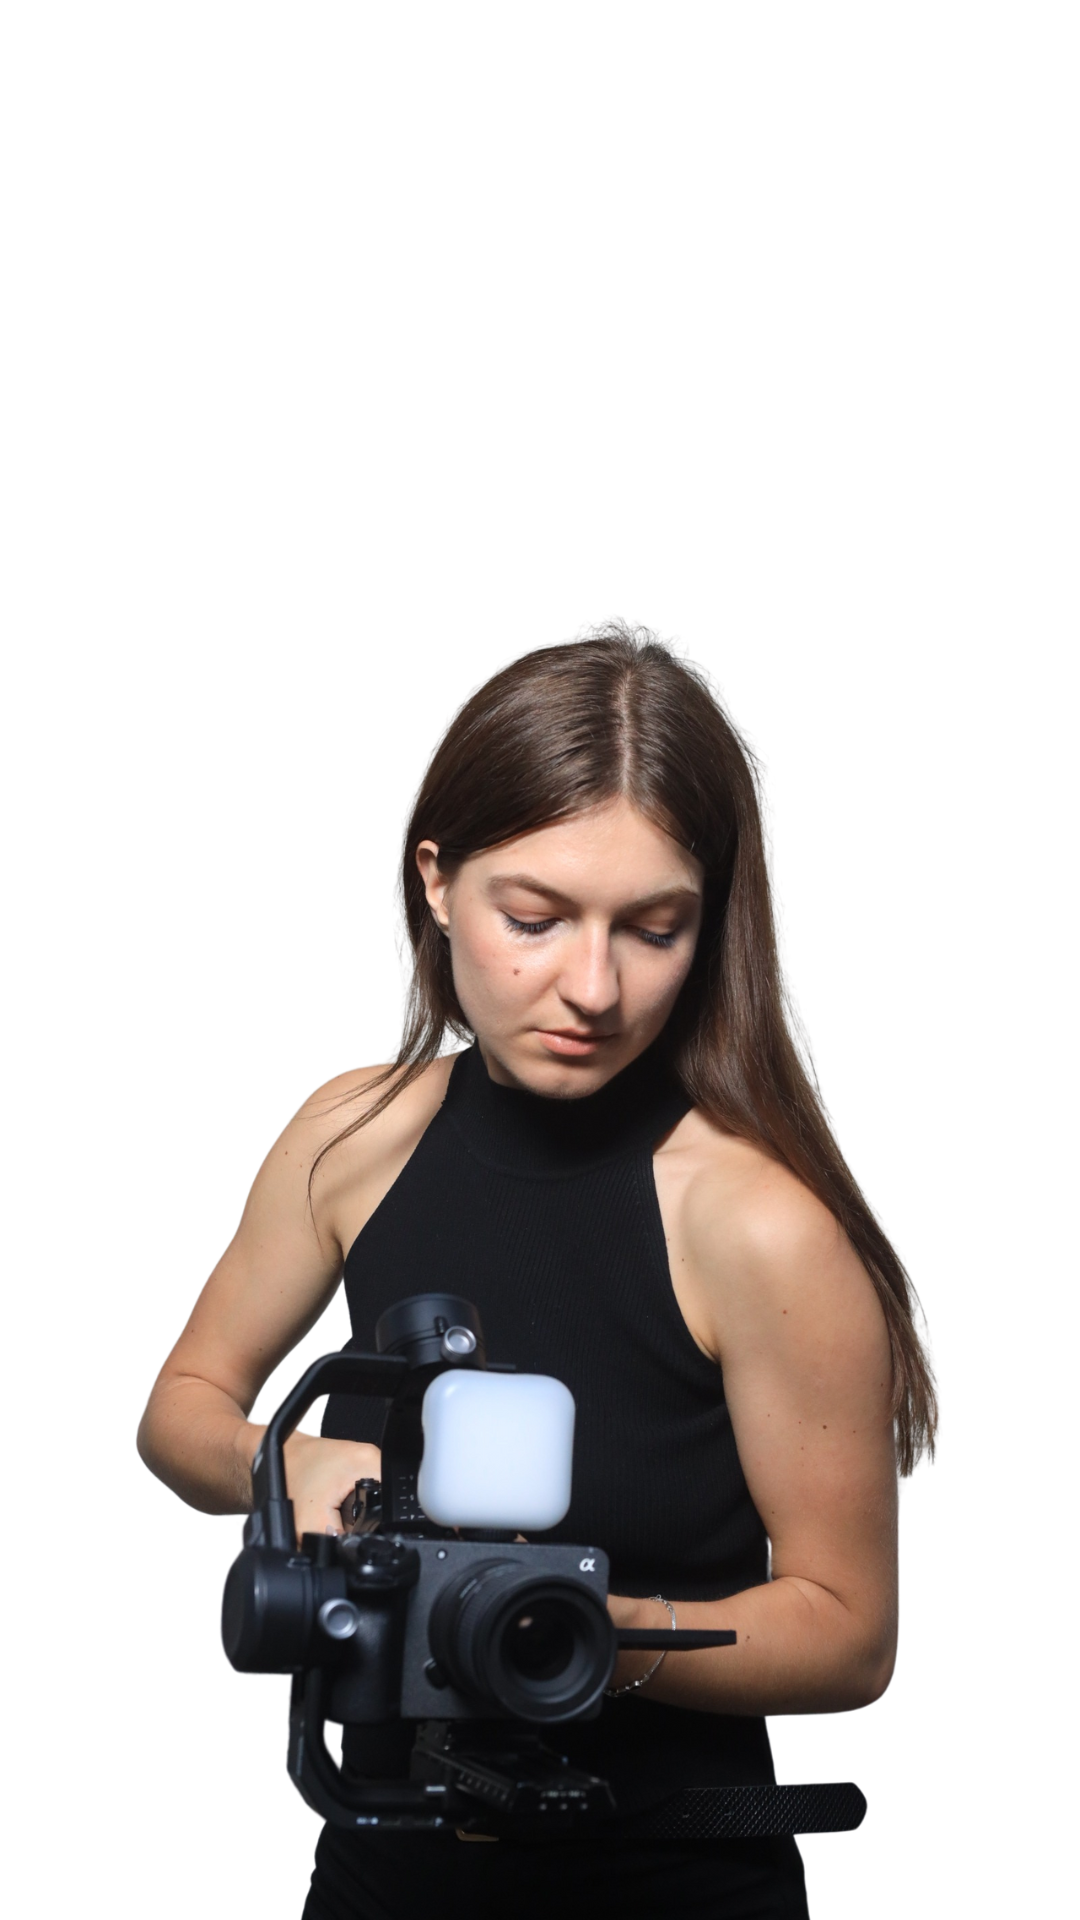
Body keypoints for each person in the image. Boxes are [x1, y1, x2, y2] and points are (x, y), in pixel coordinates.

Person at [135, 617, 940, 1919]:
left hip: (666, 1888)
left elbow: (849, 1639)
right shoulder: (351, 1131)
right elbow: (180, 1410)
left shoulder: (758, 1225)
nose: (593, 987)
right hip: (378, 1872)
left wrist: (568, 1627)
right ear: (437, 882)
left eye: (653, 928)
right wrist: (288, 1465)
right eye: (535, 917)